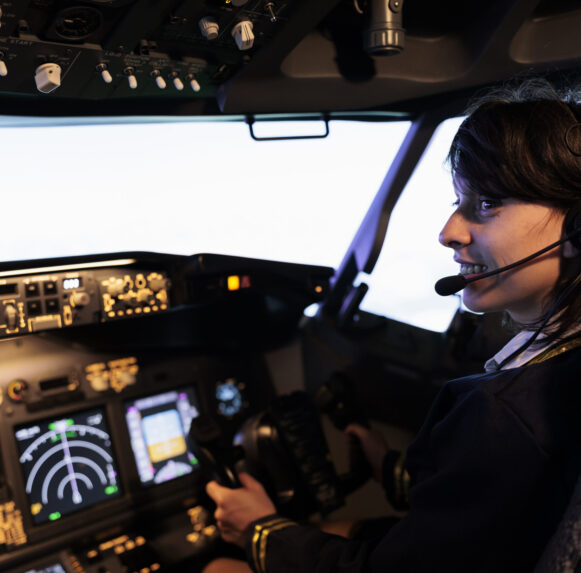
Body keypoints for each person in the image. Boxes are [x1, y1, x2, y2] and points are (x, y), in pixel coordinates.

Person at [204, 81, 581, 573]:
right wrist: (388, 467)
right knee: (341, 530)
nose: (448, 232)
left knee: (218, 569)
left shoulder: (509, 411)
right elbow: (494, 509)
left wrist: (258, 529)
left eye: (487, 203)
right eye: (458, 201)